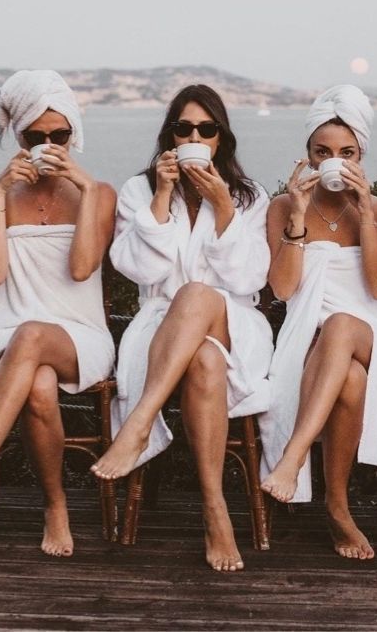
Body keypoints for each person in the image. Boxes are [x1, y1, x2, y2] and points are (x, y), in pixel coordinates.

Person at [91, 84, 273, 572]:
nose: (195, 136)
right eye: (184, 127)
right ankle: (215, 509)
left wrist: (225, 209)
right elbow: (139, 271)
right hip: (161, 328)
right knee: (205, 361)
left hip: (235, 321)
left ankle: (138, 423)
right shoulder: (141, 190)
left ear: (221, 138)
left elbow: (250, 278)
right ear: (171, 135)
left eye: (206, 129)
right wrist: (164, 195)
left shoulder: (249, 196)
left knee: (199, 296)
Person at [0, 70, 116, 556]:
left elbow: (83, 268)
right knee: (37, 379)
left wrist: (85, 189)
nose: (48, 144)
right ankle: (55, 506)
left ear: (73, 134)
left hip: (80, 337)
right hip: (9, 336)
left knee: (34, 336)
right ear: (19, 138)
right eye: (35, 137)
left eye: (59, 135)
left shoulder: (97, 192)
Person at [259, 85, 377, 560]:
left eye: (346, 153)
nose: (335, 161)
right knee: (346, 377)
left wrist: (366, 215)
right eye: (322, 152)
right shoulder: (283, 208)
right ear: (307, 155)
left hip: (367, 332)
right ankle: (337, 506)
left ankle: (293, 457)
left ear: (361, 154)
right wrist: (298, 217)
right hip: (308, 339)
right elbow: (283, 290)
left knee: (344, 324)